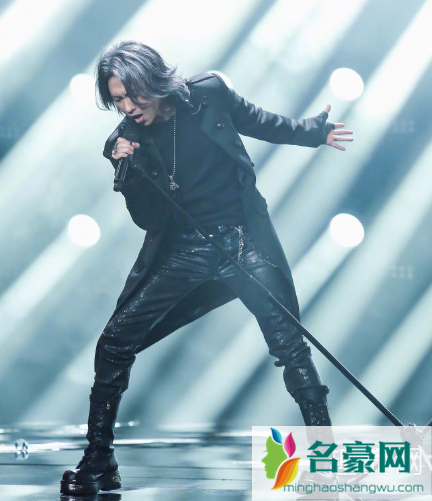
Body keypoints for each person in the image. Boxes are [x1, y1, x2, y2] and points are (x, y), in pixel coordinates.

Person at [60, 41, 353, 495]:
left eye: (134, 94)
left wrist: (313, 131)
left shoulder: (208, 93)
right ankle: (99, 461)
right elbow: (148, 219)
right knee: (114, 343)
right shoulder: (125, 142)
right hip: (185, 251)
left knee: (290, 348)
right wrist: (128, 171)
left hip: (244, 242)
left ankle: (325, 460)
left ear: (154, 79)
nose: (129, 106)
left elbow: (260, 122)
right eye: (118, 99)